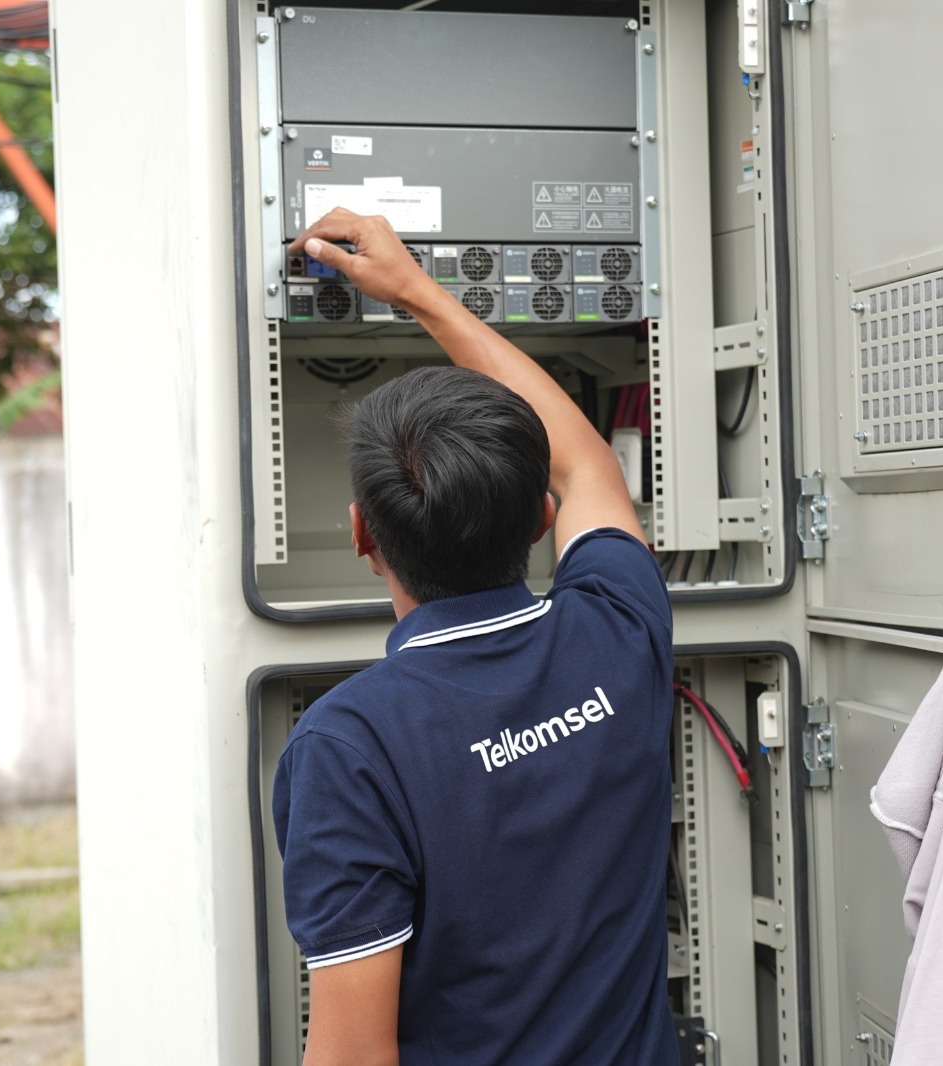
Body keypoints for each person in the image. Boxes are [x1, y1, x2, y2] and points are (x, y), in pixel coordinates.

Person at [273, 208, 678, 1066]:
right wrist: (420, 290)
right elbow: (588, 467)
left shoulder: (350, 747)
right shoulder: (615, 628)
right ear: (540, 521)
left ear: (361, 534)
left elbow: (351, 1057)